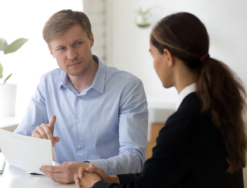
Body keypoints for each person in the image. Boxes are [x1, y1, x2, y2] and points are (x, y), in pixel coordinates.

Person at [74, 12, 247, 188]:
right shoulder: (213, 106)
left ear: (168, 56)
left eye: (152, 54)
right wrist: (114, 179)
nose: (154, 62)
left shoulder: (187, 120)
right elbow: (161, 175)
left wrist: (94, 185)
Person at [13, 9, 148, 184]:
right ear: (51, 52)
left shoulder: (128, 87)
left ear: (91, 39)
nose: (71, 55)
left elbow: (135, 160)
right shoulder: (47, 84)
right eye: (61, 48)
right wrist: (34, 143)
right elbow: (17, 144)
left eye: (77, 43)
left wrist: (87, 167)